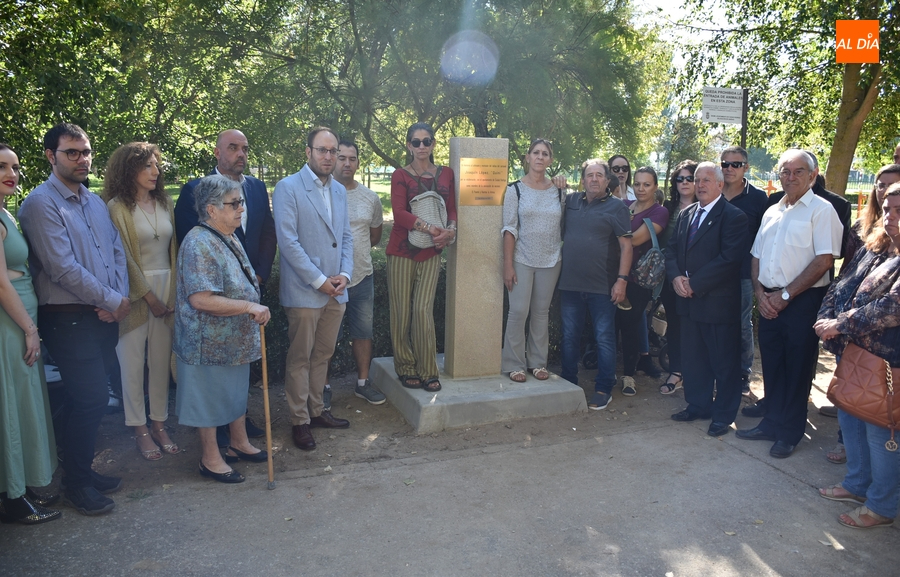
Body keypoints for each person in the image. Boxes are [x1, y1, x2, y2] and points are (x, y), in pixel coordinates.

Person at [19, 123, 129, 515]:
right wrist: (114, 299)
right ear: (51, 156)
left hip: (101, 315)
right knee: (92, 397)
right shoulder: (40, 204)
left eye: (86, 152)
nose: (82, 160)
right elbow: (62, 268)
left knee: (90, 399)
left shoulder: (94, 201)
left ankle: (80, 467)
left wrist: (117, 299)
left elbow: (116, 251)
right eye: (72, 153)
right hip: (67, 319)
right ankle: (77, 483)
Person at [736, 149, 843, 458]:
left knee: (797, 368)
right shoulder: (772, 210)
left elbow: (823, 261)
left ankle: (790, 432)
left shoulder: (822, 211)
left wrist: (785, 296)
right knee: (772, 364)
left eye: (798, 172)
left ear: (812, 175)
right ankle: (771, 423)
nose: (791, 177)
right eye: (785, 171)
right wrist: (760, 295)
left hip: (801, 302)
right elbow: (756, 256)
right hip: (768, 299)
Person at [174, 129, 276, 445]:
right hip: (210, 327)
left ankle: (238, 437)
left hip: (239, 321)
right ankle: (213, 450)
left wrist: (255, 278)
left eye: (245, 148)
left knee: (234, 384)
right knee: (210, 391)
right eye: (233, 147)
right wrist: (244, 300)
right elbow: (198, 278)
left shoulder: (253, 194)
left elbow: (267, 235)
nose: (241, 154)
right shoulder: (198, 203)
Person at [814, 182, 900, 529]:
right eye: (889, 208)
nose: (891, 216)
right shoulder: (880, 246)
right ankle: (856, 485)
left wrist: (840, 323)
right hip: (856, 353)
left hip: (888, 361)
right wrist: (827, 316)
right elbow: (842, 281)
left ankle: (881, 506)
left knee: (881, 433)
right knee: (850, 417)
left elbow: (892, 307)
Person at [274, 127, 354, 452]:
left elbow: (346, 237)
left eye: (333, 151)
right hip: (307, 291)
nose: (329, 156)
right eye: (322, 150)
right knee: (300, 358)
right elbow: (288, 243)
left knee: (324, 354)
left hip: (337, 289)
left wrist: (345, 275)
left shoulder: (339, 191)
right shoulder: (288, 187)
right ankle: (299, 420)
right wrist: (321, 281)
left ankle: (318, 410)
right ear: (308, 152)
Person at [103, 143, 178, 461]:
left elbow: (173, 252)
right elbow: (123, 259)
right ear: (129, 170)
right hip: (134, 295)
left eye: (156, 165)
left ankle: (159, 424)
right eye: (148, 166)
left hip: (167, 290)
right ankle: (139, 429)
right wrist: (148, 297)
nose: (156, 171)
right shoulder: (116, 207)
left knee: (160, 363)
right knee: (132, 366)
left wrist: (169, 295)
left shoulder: (165, 202)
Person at [0, 143, 60, 524]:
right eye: (2, 166)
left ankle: (22, 487)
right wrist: (30, 329)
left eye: (16, 166)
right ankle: (14, 497)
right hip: (10, 325)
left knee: (23, 405)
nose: (12, 173)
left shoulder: (5, 212)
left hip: (17, 320)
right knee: (14, 407)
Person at [665, 162, 749, 435]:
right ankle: (698, 405)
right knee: (693, 358)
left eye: (705, 180)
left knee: (723, 362)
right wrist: (677, 278)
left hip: (717, 302)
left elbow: (729, 259)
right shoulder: (687, 213)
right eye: (696, 179)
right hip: (687, 301)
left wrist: (695, 284)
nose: (699, 184)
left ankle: (723, 415)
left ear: (720, 185)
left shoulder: (734, 216)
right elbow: (672, 250)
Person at [386, 122, 457, 393]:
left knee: (422, 310)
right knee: (402, 311)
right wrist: (428, 228)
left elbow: (451, 209)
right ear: (408, 145)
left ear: (433, 144)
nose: (421, 147)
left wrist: (450, 232)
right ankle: (405, 367)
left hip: (433, 250)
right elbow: (399, 213)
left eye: (426, 141)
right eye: (415, 142)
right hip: (402, 250)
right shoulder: (399, 175)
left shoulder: (446, 174)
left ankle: (428, 370)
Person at [558, 159, 632, 410]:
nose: (594, 179)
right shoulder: (571, 202)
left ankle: (603, 388)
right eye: (589, 175)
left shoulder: (617, 208)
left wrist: (621, 281)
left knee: (604, 338)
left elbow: (626, 246)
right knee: (569, 337)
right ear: (582, 180)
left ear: (607, 180)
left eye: (599, 175)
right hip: (569, 285)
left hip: (603, 286)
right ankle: (568, 383)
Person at [502, 139, 564, 382]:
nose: (540, 157)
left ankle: (537, 363)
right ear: (527, 157)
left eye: (545, 154)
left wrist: (562, 185)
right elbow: (509, 229)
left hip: (551, 259)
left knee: (540, 312)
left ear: (550, 160)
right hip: (521, 258)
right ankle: (514, 363)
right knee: (518, 311)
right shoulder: (514, 189)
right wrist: (507, 265)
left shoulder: (558, 190)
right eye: (535, 153)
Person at [331, 139, 385, 405]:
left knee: (363, 333)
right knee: (326, 337)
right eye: (342, 158)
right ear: (333, 159)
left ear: (358, 163)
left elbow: (374, 235)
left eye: (352, 159)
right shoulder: (322, 193)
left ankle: (362, 383)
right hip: (329, 280)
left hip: (362, 275)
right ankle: (322, 388)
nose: (347, 163)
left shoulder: (370, 197)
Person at [719, 146, 768, 395]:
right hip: (712, 275)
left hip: (743, 273)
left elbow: (764, 239)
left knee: (741, 324)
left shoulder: (759, 199)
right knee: (715, 323)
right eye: (725, 164)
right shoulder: (711, 192)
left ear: (746, 168)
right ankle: (718, 373)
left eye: (735, 164)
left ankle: (742, 374)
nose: (729, 168)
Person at [618, 167, 668, 396]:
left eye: (647, 184)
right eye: (637, 184)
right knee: (614, 324)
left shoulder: (659, 213)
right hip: (617, 273)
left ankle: (629, 375)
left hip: (638, 279)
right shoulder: (626, 207)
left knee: (630, 326)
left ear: (655, 187)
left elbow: (635, 239)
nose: (641, 188)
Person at [658, 160, 697, 394]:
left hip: (699, 282)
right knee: (674, 326)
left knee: (695, 328)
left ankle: (695, 373)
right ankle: (676, 372)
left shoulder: (706, 207)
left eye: (689, 178)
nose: (684, 183)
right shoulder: (668, 209)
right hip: (670, 278)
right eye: (679, 179)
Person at [843, 164, 900, 263]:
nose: (885, 190)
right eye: (881, 186)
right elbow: (847, 267)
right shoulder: (860, 225)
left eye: (892, 185)